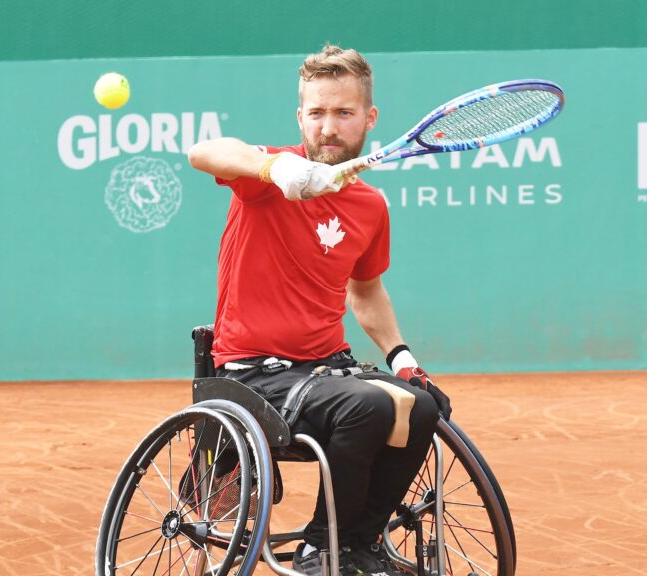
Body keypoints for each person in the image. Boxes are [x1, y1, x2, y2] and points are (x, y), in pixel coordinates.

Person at [187, 43, 452, 576]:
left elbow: (367, 291)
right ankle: (319, 549)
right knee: (369, 408)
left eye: (343, 113)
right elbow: (203, 152)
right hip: (253, 375)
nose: (328, 127)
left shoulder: (370, 205)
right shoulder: (266, 180)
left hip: (327, 369)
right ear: (300, 117)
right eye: (317, 113)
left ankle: (358, 542)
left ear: (369, 118)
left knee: (420, 406)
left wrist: (401, 358)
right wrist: (276, 169)